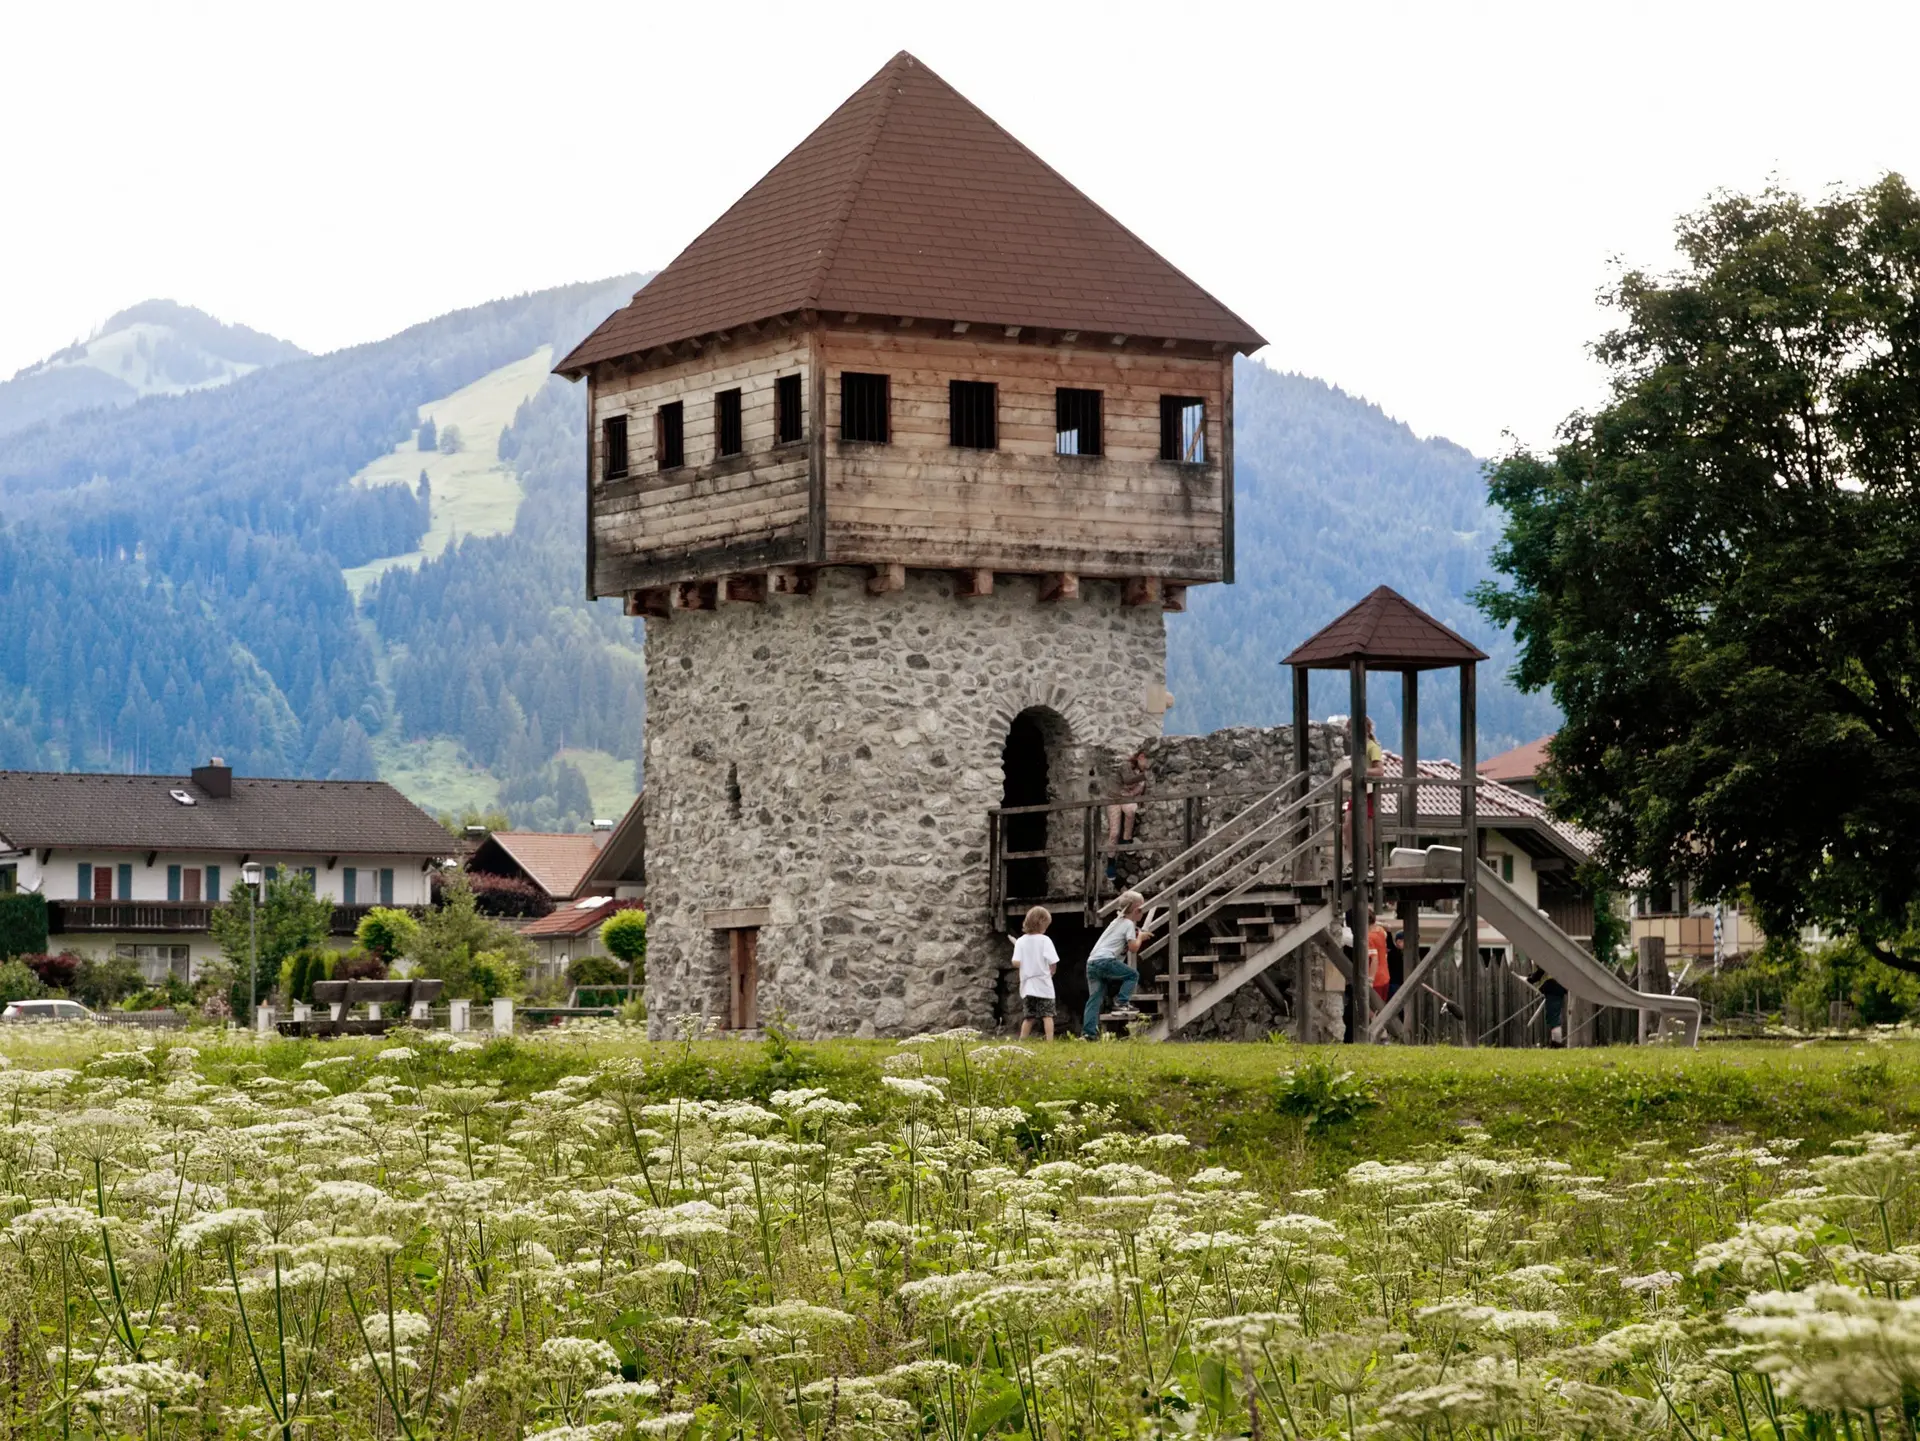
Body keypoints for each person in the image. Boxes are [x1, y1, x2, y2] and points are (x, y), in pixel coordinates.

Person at [1083, 889, 1153, 1039]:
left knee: (1094, 999)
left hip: (1092, 962)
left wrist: (1137, 933)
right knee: (1132, 975)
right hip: (1105, 960)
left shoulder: (1117, 922)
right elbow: (1134, 948)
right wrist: (1140, 937)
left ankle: (1088, 1034)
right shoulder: (1128, 923)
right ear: (1136, 910)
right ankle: (1122, 1002)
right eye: (1141, 910)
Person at [1014, 905, 1060, 1040]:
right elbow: (1053, 962)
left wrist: (1026, 963)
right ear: (1042, 924)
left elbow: (1015, 962)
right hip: (1043, 983)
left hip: (1027, 985)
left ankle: (1022, 1041)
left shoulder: (1020, 941)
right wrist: (1052, 972)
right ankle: (1050, 1042)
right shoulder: (1045, 940)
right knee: (1048, 1015)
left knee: (1029, 1017)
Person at [1106, 750, 1149, 882]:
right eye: (1146, 761)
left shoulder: (1142, 775)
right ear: (1140, 757)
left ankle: (1126, 839)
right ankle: (1111, 862)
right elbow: (1128, 780)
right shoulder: (1125, 766)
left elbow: (1135, 792)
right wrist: (1144, 775)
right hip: (1113, 799)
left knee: (1131, 810)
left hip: (1126, 798)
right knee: (1114, 833)